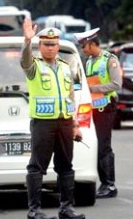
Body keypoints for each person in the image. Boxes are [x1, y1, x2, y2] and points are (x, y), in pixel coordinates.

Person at [20, 18, 85, 219]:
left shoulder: (66, 67)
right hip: (43, 123)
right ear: (40, 46)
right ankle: (34, 210)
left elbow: (70, 97)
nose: (50, 47)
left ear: (58, 45)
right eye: (46, 44)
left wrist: (75, 124)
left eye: (54, 44)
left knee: (66, 165)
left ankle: (66, 208)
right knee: (37, 166)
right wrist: (27, 41)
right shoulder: (34, 67)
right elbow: (24, 61)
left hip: (64, 122)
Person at [75, 28, 122, 199]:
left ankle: (109, 184)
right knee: (93, 145)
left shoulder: (110, 60)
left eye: (84, 46)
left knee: (103, 146)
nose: (82, 49)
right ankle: (101, 181)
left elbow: (116, 84)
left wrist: (93, 88)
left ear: (93, 44)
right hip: (92, 108)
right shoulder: (88, 61)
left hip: (105, 107)